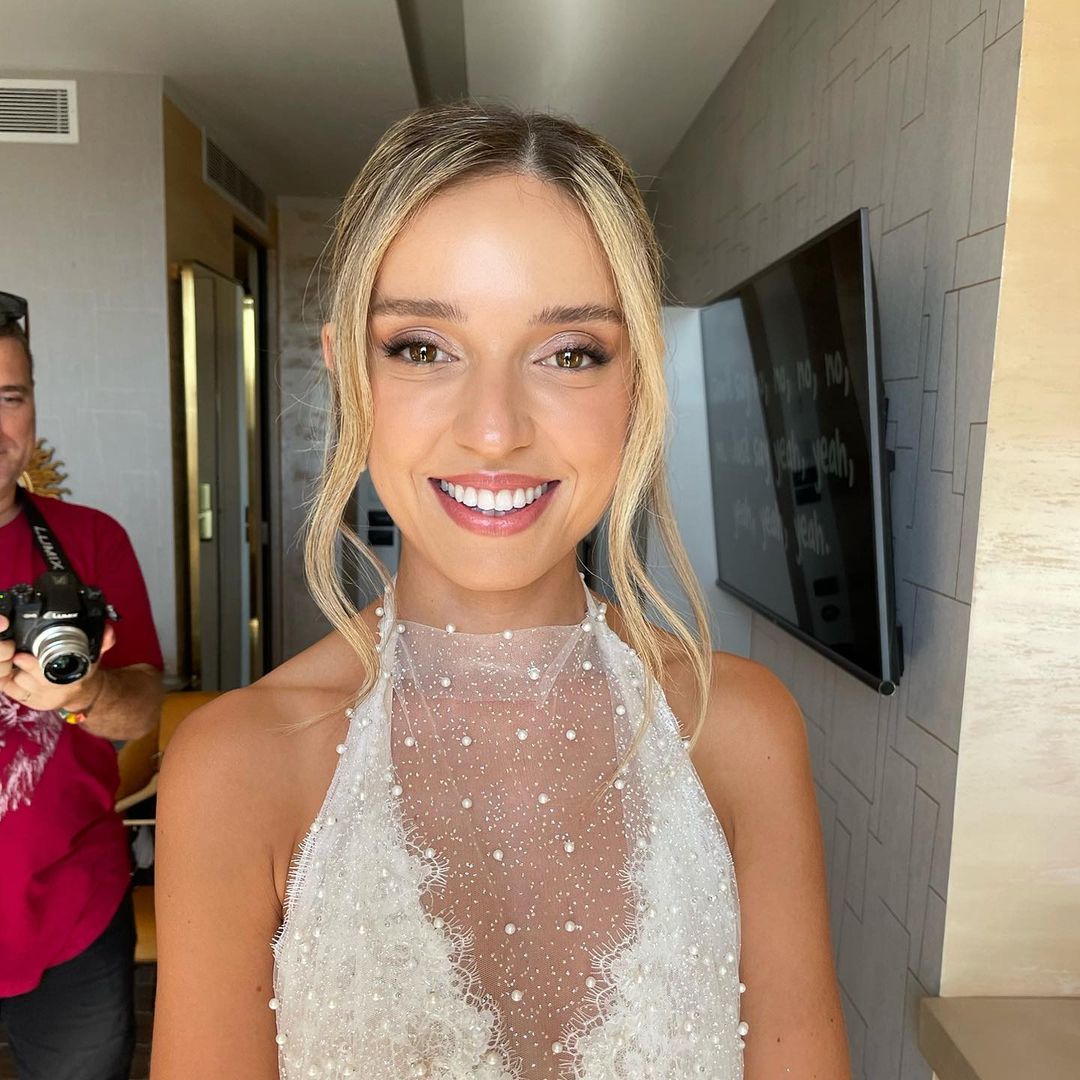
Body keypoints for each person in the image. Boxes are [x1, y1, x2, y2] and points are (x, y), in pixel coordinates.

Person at [152, 103, 850, 1079]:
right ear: (350, 373)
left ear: (638, 383)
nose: (493, 430)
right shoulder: (238, 765)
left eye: (570, 353)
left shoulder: (738, 729)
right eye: (422, 347)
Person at [0, 293, 165, 1080]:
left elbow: (144, 707)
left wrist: (83, 694)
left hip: (73, 909)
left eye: (10, 396)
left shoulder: (90, 541)